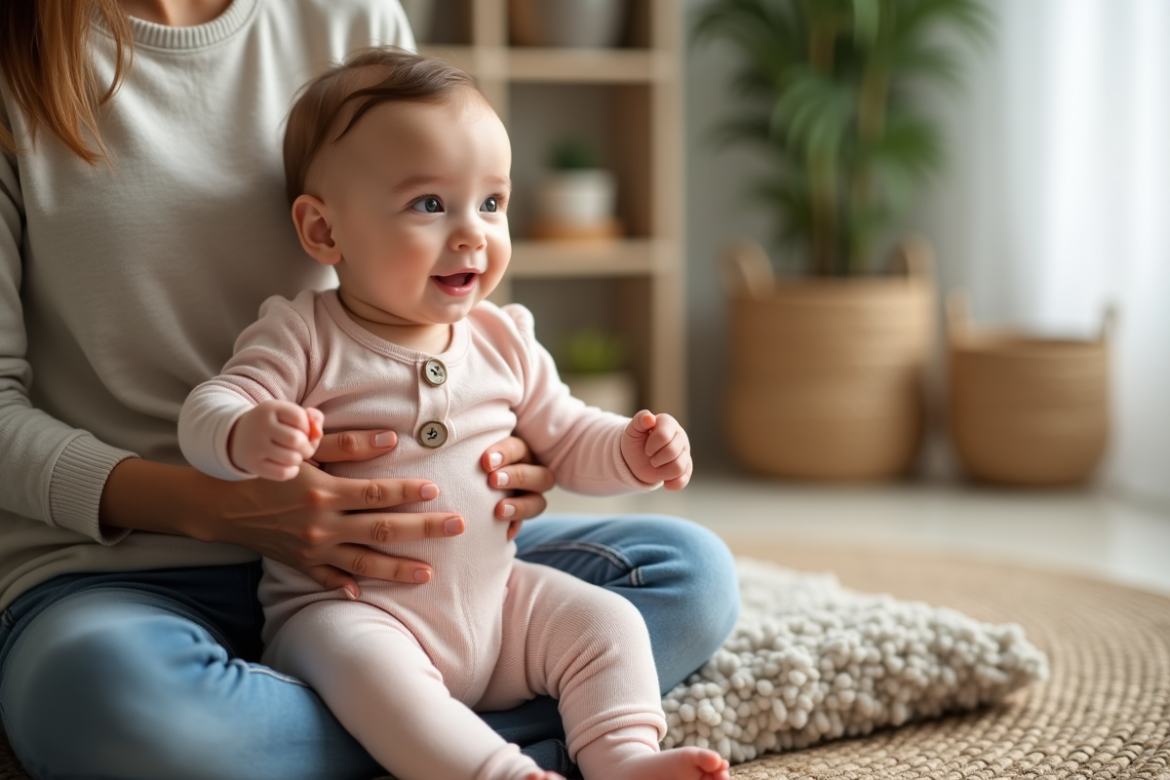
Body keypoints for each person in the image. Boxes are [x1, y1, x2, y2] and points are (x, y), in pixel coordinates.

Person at [0, 2, 739, 779]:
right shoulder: (298, 334)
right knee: (103, 702)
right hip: (218, 586)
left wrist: (613, 451)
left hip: (460, 577)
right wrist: (235, 468)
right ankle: (475, 754)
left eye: (493, 205)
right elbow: (216, 409)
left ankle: (596, 755)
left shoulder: (501, 331)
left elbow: (571, 429)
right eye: (434, 207)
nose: (472, 233)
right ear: (319, 231)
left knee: (687, 575)